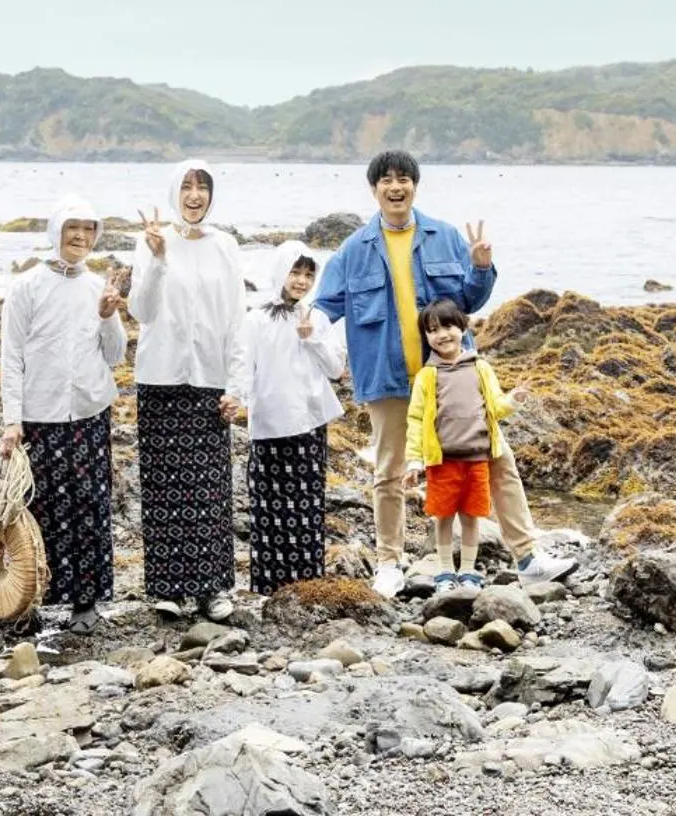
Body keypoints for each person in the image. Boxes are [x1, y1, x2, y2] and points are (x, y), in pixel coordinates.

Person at [313, 149, 569, 597]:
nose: (396, 187)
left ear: (415, 185)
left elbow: (468, 300)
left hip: (455, 374)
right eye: (386, 180)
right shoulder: (353, 250)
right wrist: (293, 327)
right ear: (373, 189)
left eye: (404, 179)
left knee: (497, 459)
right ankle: (389, 564)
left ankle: (528, 558)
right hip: (388, 380)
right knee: (389, 473)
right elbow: (322, 308)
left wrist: (482, 266)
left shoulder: (444, 236)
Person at [0, 195, 128, 632]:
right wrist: (12, 419)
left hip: (89, 413)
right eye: (73, 227)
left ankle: (85, 603)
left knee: (89, 507)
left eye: (89, 229)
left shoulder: (96, 287)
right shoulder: (27, 287)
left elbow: (116, 355)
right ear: (57, 231)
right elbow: (11, 356)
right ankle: (29, 599)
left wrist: (109, 316)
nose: (81, 236)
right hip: (40, 415)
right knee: (38, 510)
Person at [129, 158, 246, 620]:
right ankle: (169, 589)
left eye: (203, 187)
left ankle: (212, 589)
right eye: (187, 186)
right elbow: (140, 310)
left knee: (210, 488)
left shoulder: (226, 246)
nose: (195, 195)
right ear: (174, 191)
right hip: (160, 377)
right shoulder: (153, 241)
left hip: (209, 380)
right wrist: (158, 258)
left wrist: (237, 386)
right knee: (164, 486)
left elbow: (237, 321)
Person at [232, 240, 346, 594]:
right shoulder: (255, 319)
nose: (301, 281)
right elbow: (243, 365)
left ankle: (307, 583)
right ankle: (268, 586)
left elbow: (336, 369)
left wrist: (312, 339)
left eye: (309, 274)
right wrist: (235, 398)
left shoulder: (318, 317)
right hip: (268, 423)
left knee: (307, 506)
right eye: (295, 272)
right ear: (280, 271)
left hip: (309, 423)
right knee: (269, 507)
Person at [405, 299, 515, 589]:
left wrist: (514, 400)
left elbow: (496, 406)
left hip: (477, 459)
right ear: (426, 337)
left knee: (471, 516)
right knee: (443, 517)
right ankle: (444, 571)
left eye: (448, 326)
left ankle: (468, 571)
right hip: (442, 461)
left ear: (463, 328)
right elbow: (416, 418)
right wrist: (414, 460)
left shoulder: (480, 368)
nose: (442, 335)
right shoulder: (427, 375)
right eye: (433, 330)